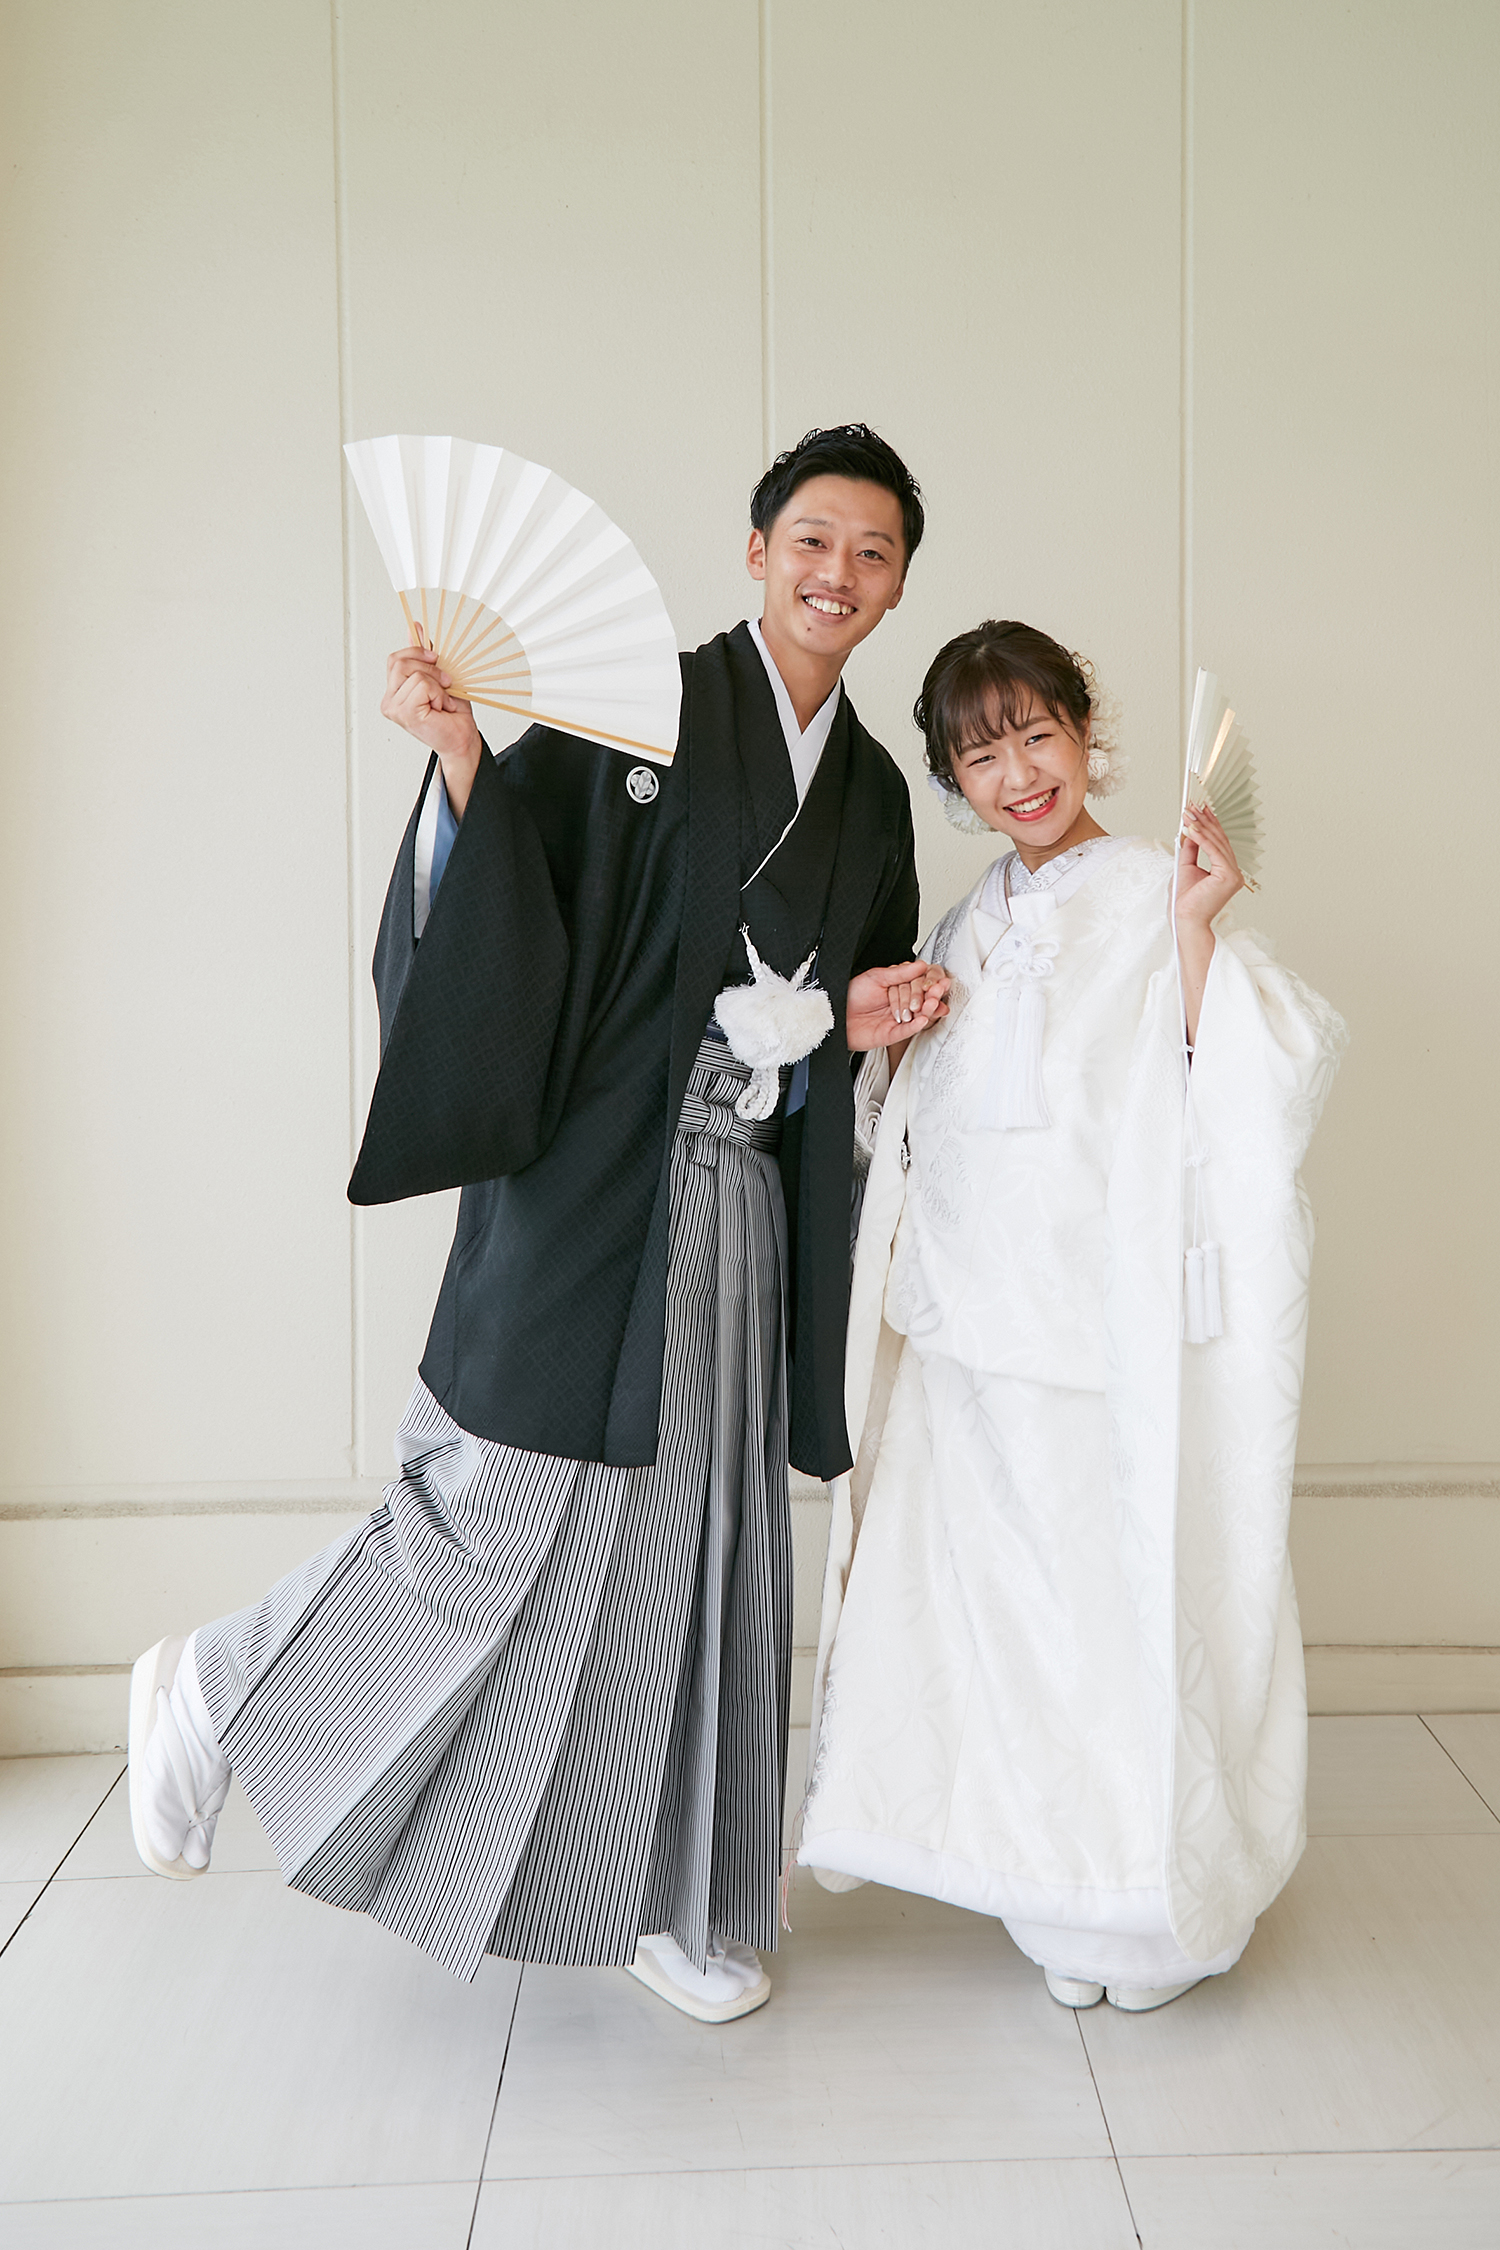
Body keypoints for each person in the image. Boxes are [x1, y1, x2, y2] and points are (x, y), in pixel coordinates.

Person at [127, 424, 950, 2023]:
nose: (837, 572)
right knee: (499, 1506)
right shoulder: (646, 706)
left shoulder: (865, 791)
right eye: (812, 539)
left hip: (745, 1200)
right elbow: (521, 893)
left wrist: (849, 1020)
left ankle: (672, 1892)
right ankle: (218, 1679)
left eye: (872, 552)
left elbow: (854, 992)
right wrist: (461, 762)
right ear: (757, 551)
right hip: (598, 1179)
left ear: (899, 582)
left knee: (696, 1547)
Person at [797, 620, 1345, 2012]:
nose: (1019, 774)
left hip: (1101, 1331)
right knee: (1006, 1621)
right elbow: (917, 1122)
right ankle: (1051, 1879)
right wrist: (893, 1040)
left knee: (1114, 1604)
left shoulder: (1157, 889)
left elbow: (1253, 1078)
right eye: (981, 756)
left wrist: (1200, 929)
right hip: (969, 1327)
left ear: (1086, 732)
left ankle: (1146, 1902)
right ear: (953, 782)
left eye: (1037, 735)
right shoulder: (968, 921)